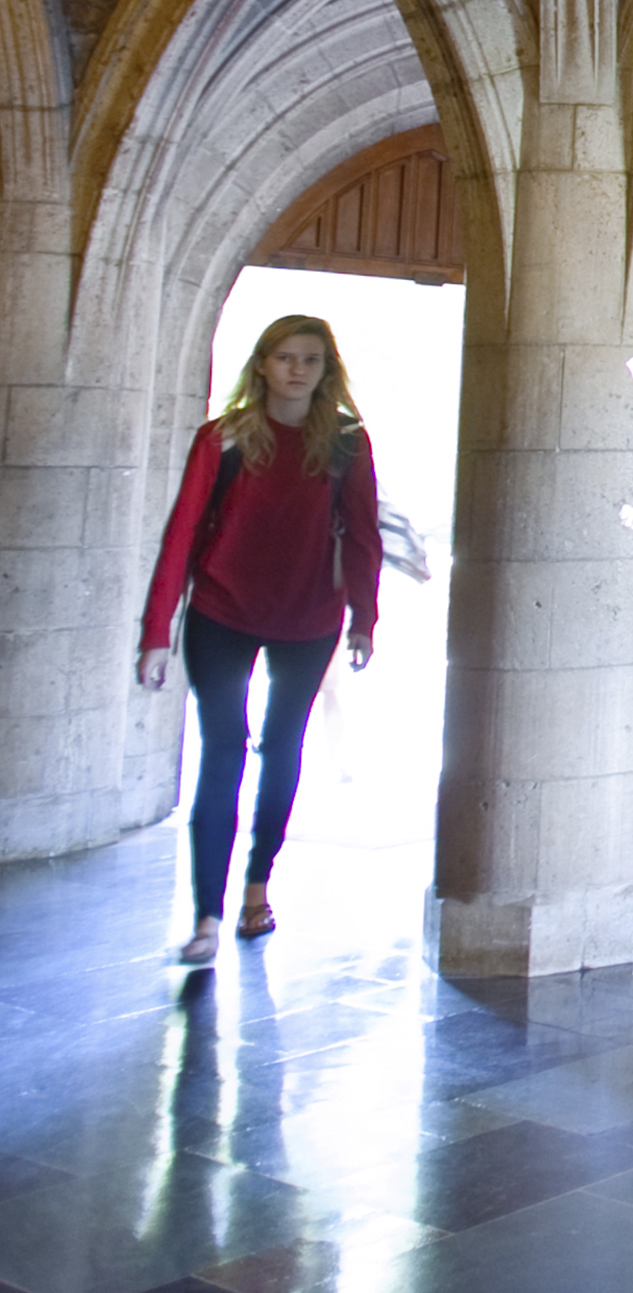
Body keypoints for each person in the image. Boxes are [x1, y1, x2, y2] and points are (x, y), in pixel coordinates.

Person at [136, 316, 381, 965]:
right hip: (221, 611)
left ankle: (257, 886)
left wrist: (365, 617)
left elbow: (361, 536)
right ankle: (207, 916)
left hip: (308, 617)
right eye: (284, 357)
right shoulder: (222, 439)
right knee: (222, 753)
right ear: (263, 364)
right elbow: (182, 532)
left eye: (310, 359)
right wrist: (155, 632)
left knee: (281, 747)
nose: (296, 369)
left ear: (327, 370)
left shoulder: (347, 445)